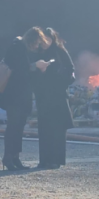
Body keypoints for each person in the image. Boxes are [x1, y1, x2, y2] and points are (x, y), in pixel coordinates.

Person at [0, 27, 46, 170]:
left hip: (22, 94)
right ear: (31, 40)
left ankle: (15, 157)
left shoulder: (21, 47)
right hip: (14, 94)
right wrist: (36, 66)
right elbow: (20, 70)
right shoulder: (17, 47)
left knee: (19, 126)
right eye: (36, 43)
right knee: (13, 126)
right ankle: (8, 157)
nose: (36, 47)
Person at [32, 27, 76, 170]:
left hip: (58, 95)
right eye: (42, 39)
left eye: (47, 39)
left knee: (57, 128)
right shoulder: (37, 53)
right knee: (44, 129)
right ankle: (44, 159)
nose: (45, 42)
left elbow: (70, 70)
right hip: (43, 95)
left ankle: (56, 159)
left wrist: (60, 80)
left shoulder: (60, 51)